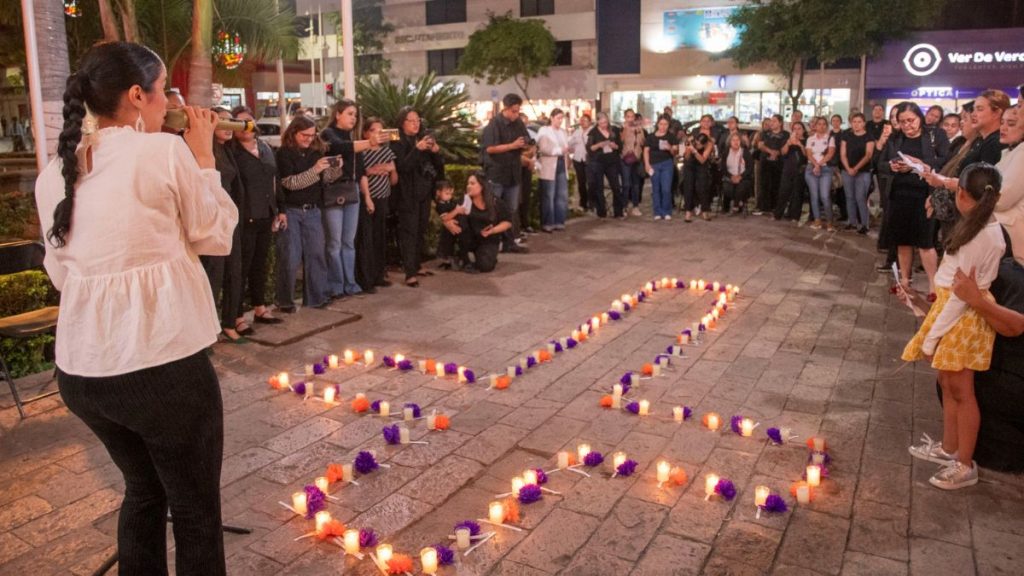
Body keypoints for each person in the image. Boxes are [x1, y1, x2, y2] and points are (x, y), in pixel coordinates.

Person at [34, 41, 236, 574]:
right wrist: (204, 157)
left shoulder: (54, 173)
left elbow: (61, 274)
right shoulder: (161, 152)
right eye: (164, 89)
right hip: (160, 363)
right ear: (136, 96)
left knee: (144, 490)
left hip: (83, 372)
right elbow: (215, 235)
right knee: (194, 509)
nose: (170, 101)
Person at [902, 163, 1005, 489]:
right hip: (953, 308)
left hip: (962, 317)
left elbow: (962, 297)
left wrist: (931, 338)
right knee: (947, 383)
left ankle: (964, 463)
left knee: (962, 390)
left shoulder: (980, 236)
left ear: (961, 194)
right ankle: (949, 448)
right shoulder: (981, 225)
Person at [880, 101, 950, 296]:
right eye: (902, 122)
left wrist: (920, 163)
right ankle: (905, 280)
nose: (907, 125)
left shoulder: (935, 135)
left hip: (924, 195)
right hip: (899, 194)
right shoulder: (895, 138)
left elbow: (946, 159)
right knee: (903, 240)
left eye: (911, 120)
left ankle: (933, 285)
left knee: (925, 241)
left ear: (920, 118)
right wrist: (892, 166)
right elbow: (881, 163)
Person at [320, 99, 384, 297]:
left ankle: (351, 283)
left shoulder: (352, 137)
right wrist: (369, 142)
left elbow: (361, 170)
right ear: (337, 114)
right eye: (349, 113)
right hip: (333, 191)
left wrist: (367, 196)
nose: (353, 118)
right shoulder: (328, 133)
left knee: (348, 242)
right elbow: (341, 147)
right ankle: (336, 285)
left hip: (352, 189)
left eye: (355, 115)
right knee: (334, 243)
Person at [228, 105, 285, 325]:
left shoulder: (265, 147)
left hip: (266, 214)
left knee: (260, 264)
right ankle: (236, 316)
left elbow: (274, 180)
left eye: (248, 121)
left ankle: (260, 308)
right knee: (242, 267)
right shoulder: (232, 152)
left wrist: (280, 209)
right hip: (245, 217)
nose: (245, 127)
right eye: (239, 123)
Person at [275, 116, 334, 309]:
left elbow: (326, 180)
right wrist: (315, 170)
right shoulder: (284, 153)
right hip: (291, 210)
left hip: (313, 209)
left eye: (312, 135)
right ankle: (285, 301)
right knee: (290, 257)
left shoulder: (316, 152)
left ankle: (317, 297)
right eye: (304, 135)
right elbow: (290, 183)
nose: (309, 139)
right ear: (293, 132)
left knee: (316, 254)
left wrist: (334, 169)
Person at [203, 106, 246, 342]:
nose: (228, 127)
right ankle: (208, 331)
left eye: (231, 122)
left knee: (234, 271)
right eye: (222, 121)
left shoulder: (228, 150)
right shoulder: (204, 150)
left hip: (231, 218)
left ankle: (230, 322)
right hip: (212, 219)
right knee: (214, 273)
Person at [393, 106, 446, 286]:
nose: (416, 124)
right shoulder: (397, 140)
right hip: (407, 194)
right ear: (402, 123)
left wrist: (435, 151)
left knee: (420, 229)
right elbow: (402, 167)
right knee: (409, 232)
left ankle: (416, 265)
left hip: (424, 192)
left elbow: (438, 166)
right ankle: (409, 273)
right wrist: (417, 149)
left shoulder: (422, 138)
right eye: (411, 121)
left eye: (418, 120)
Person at [481, 94, 529, 252]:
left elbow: (525, 139)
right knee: (494, 209)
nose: (516, 114)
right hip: (497, 172)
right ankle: (493, 242)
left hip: (514, 172)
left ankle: (510, 242)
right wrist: (511, 146)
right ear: (506, 109)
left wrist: (526, 145)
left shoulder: (518, 123)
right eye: (514, 111)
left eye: (518, 111)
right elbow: (489, 148)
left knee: (511, 209)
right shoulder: (494, 125)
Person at [356, 117, 398, 290]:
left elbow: (394, 180)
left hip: (383, 198)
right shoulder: (362, 152)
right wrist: (371, 171)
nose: (377, 134)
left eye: (381, 131)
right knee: (368, 237)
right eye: (373, 130)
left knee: (380, 236)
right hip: (368, 198)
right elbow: (359, 173)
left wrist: (391, 170)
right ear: (366, 133)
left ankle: (379, 274)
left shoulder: (386, 152)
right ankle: (367, 277)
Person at [451, 171, 513, 273]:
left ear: (482, 186)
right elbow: (449, 215)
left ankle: (486, 257)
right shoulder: (464, 200)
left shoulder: (495, 202)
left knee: (485, 266)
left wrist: (493, 230)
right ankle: (463, 257)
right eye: (468, 183)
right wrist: (448, 223)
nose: (468, 186)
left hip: (488, 239)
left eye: (472, 183)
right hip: (469, 237)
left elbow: (507, 222)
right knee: (459, 221)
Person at [840, 112, 875, 234]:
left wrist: (855, 168)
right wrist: (848, 168)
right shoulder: (846, 135)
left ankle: (864, 224)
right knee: (849, 197)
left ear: (864, 123)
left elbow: (868, 155)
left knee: (860, 197)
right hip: (847, 171)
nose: (856, 124)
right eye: (854, 122)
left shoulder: (869, 136)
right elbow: (843, 154)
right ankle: (852, 222)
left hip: (863, 172)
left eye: (859, 122)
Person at [536, 107, 570, 232]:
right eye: (558, 118)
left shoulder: (563, 132)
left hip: (561, 163)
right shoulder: (544, 131)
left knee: (561, 194)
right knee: (548, 195)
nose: (560, 121)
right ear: (552, 118)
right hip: (549, 165)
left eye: (562, 118)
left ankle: (559, 221)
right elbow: (543, 148)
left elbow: (566, 147)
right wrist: (560, 150)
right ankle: (547, 222)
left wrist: (567, 153)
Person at [586, 112, 624, 218]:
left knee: (616, 186)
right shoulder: (593, 132)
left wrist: (615, 146)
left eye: (606, 122)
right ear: (597, 122)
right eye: (602, 123)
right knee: (599, 187)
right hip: (598, 162)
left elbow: (620, 146)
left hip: (612, 161)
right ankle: (601, 212)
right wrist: (599, 145)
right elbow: (589, 148)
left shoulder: (614, 130)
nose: (604, 125)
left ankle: (618, 212)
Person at [804, 116, 837, 230]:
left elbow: (830, 154)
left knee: (825, 196)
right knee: (814, 195)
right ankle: (817, 220)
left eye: (824, 124)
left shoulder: (830, 138)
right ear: (815, 126)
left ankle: (829, 222)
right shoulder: (810, 139)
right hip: (811, 168)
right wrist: (815, 164)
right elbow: (809, 154)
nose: (821, 126)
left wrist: (819, 164)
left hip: (825, 169)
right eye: (819, 124)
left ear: (827, 126)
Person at [644, 114, 679, 220]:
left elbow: (675, 152)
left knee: (666, 189)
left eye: (665, 124)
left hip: (667, 164)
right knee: (656, 189)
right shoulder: (650, 137)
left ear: (668, 125)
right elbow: (646, 151)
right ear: (657, 124)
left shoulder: (671, 137)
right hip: (654, 164)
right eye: (661, 124)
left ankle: (667, 211)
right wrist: (647, 164)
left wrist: (669, 148)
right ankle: (657, 211)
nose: (663, 126)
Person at [774, 121, 808, 222]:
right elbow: (783, 152)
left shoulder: (807, 141)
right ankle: (778, 214)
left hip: (800, 170)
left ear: (803, 130)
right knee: (783, 192)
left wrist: (800, 145)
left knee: (797, 193)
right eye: (794, 129)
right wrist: (789, 143)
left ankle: (795, 216)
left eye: (799, 128)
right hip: (788, 169)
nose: (797, 131)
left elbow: (807, 155)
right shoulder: (787, 140)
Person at [756, 114, 788, 215]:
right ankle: (764, 207)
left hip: (779, 162)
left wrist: (777, 153)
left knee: (777, 184)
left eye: (774, 121)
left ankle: (775, 207)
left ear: (780, 123)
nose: (771, 123)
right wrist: (771, 152)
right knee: (764, 184)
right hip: (765, 161)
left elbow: (785, 146)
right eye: (771, 121)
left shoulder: (786, 134)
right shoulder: (765, 133)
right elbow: (760, 145)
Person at [682, 132, 715, 222]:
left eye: (700, 144)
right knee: (688, 187)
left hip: (701, 165)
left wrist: (695, 151)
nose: (698, 145)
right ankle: (688, 212)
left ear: (704, 144)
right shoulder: (692, 142)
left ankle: (705, 211)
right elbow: (686, 157)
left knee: (702, 187)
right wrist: (689, 148)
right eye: (697, 143)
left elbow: (702, 160)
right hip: (690, 165)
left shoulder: (709, 144)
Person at [620, 108, 646, 216]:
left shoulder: (639, 129)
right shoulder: (622, 128)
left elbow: (643, 142)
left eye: (632, 116)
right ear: (625, 117)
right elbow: (620, 141)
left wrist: (639, 131)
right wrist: (626, 129)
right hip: (625, 159)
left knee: (636, 184)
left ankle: (635, 206)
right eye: (628, 116)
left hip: (636, 158)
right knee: (626, 184)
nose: (630, 119)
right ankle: (624, 206)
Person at [720, 132, 753, 214]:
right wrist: (731, 176)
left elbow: (750, 168)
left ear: (740, 141)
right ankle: (739, 202)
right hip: (729, 177)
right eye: (733, 140)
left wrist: (740, 177)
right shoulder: (726, 152)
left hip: (743, 177)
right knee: (727, 188)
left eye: (737, 140)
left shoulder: (745, 152)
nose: (736, 142)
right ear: (730, 142)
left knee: (741, 186)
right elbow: (723, 168)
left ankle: (735, 205)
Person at [435, 180, 463, 269]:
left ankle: (455, 257)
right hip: (447, 230)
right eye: (447, 194)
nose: (449, 196)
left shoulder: (451, 202)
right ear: (438, 192)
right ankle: (446, 259)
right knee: (447, 243)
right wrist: (456, 211)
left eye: (451, 194)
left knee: (454, 243)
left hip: (455, 226)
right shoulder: (440, 206)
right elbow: (445, 218)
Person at [568, 114, 592, 212]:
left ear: (589, 122)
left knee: (590, 182)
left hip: (589, 160)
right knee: (581, 182)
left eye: (585, 120)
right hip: (578, 159)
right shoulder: (577, 132)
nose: (583, 122)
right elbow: (570, 143)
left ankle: (591, 202)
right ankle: (583, 203)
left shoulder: (593, 131)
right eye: (581, 120)